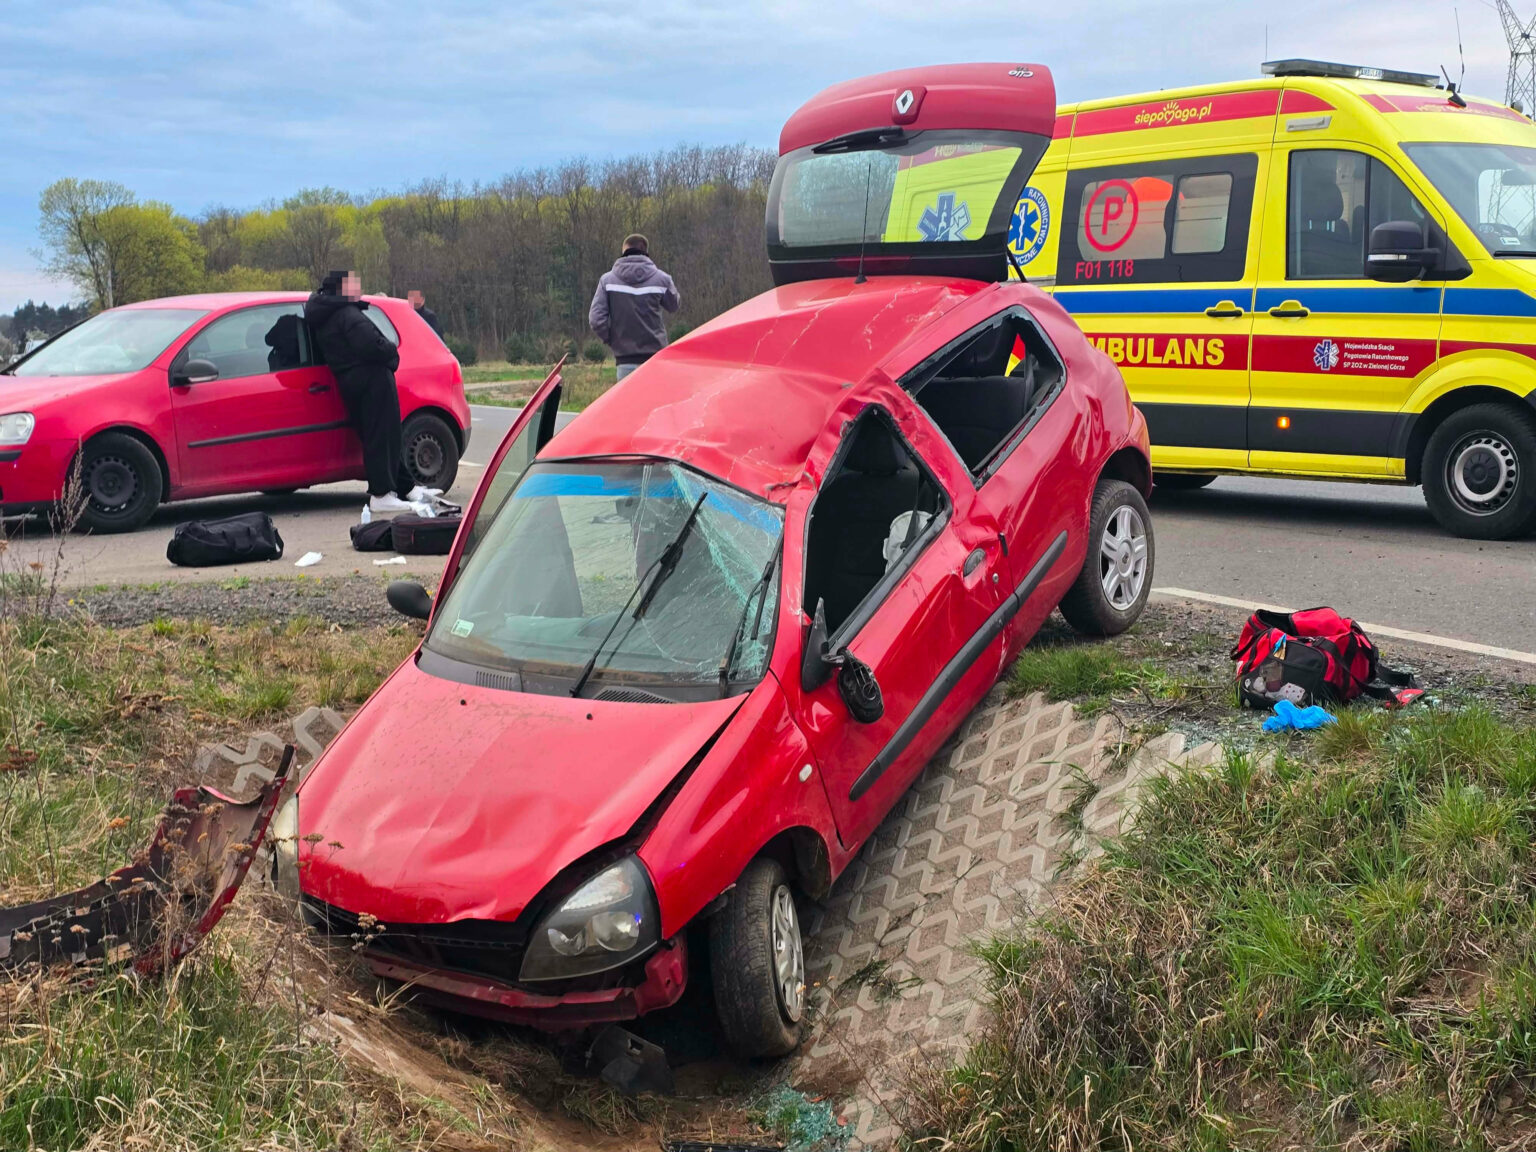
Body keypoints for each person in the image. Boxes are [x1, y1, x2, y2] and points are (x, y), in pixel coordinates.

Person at [305, 271, 436, 515]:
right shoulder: (347, 314)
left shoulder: (324, 315)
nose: (359, 288)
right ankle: (382, 494)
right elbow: (372, 344)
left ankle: (405, 487)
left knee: (379, 436)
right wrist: (392, 356)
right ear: (341, 288)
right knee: (382, 436)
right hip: (372, 381)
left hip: (352, 382)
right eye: (353, 284)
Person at [588, 234, 679, 380]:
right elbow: (673, 306)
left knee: (629, 403)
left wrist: (612, 339)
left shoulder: (607, 281)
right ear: (646, 252)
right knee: (656, 403)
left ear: (624, 252)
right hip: (655, 359)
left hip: (625, 360)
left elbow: (596, 319)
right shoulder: (662, 279)